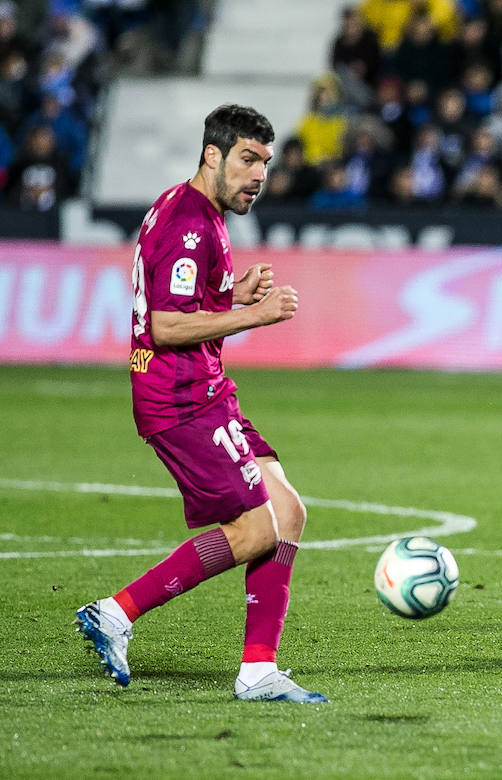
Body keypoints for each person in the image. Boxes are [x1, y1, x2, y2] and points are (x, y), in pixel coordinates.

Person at [75, 104, 326, 702]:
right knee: (255, 528)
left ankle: (258, 671)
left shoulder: (193, 210)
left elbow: (184, 302)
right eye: (246, 159)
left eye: (264, 162)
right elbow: (165, 325)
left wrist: (229, 293)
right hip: (180, 398)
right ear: (212, 155)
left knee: (287, 512)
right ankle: (116, 613)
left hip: (206, 390)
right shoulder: (191, 224)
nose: (258, 174)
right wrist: (255, 314)